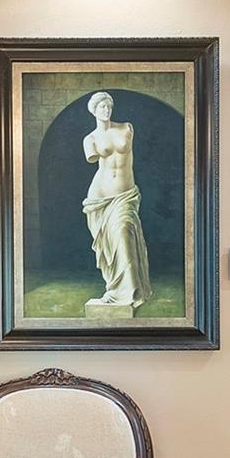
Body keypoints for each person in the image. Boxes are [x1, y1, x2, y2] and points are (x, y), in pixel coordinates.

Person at [80, 91, 153, 310]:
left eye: (109, 106)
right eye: (101, 107)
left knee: (123, 231)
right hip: (100, 197)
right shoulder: (90, 140)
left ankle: (128, 291)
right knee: (110, 245)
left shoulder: (126, 129)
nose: (106, 110)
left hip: (125, 195)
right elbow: (93, 160)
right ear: (94, 110)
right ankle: (115, 288)